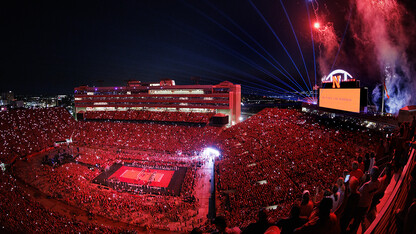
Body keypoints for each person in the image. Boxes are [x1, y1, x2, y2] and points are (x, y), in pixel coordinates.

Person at [349, 166, 381, 233]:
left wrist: (362, 181)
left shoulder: (366, 185)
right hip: (368, 203)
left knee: (356, 217)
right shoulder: (378, 183)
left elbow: (358, 192)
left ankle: (354, 229)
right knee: (360, 216)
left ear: (371, 175)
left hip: (361, 204)